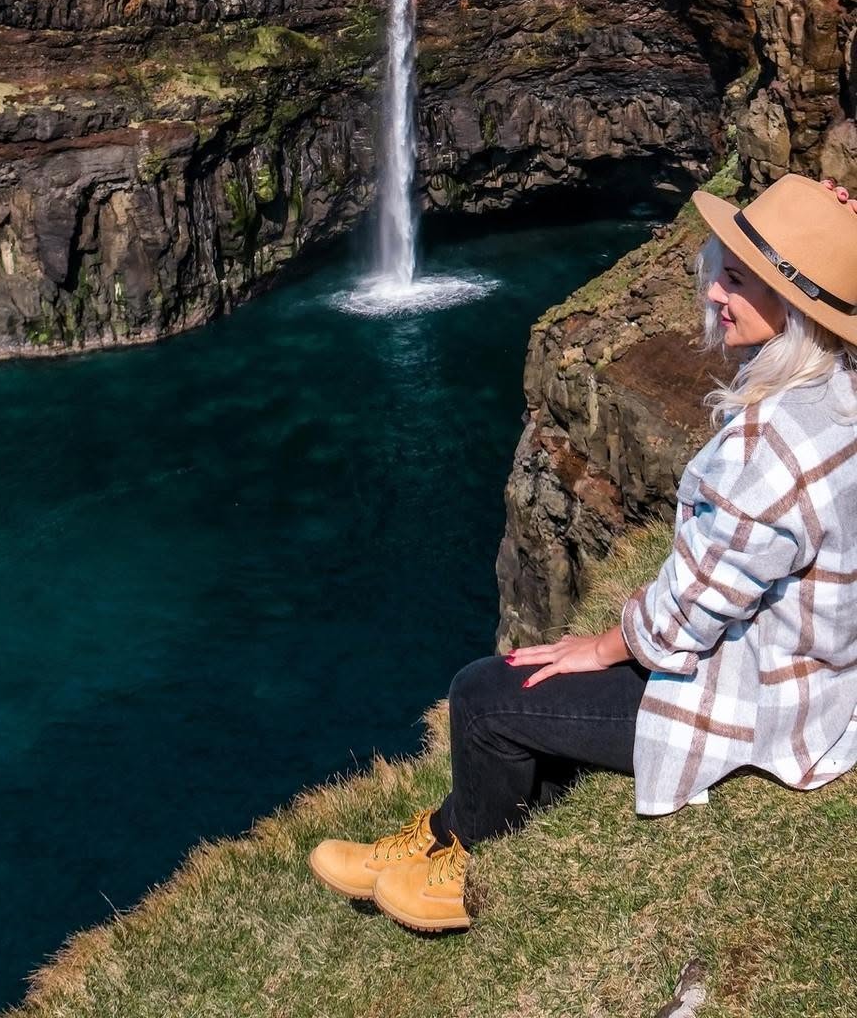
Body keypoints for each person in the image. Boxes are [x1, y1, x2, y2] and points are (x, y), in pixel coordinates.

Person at [310, 172, 857, 933]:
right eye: (720, 272)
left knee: (484, 692)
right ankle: (439, 828)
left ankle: (465, 861)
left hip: (758, 702)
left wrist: (604, 644)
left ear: (796, 308)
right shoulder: (839, 395)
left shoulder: (770, 446)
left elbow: (687, 618)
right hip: (817, 678)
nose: (711, 294)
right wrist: (836, 242)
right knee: (537, 688)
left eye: (736, 282)